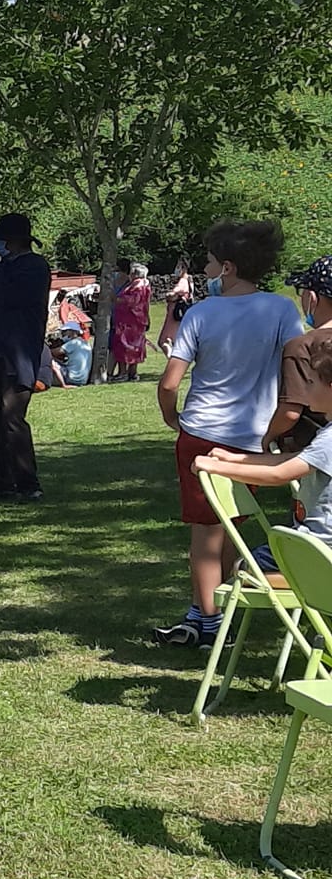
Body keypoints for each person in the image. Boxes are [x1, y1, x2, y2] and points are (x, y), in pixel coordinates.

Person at [152, 219, 302, 647]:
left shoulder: (201, 313)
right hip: (254, 439)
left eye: (210, 262)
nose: (205, 269)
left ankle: (211, 624)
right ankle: (205, 611)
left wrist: (171, 417)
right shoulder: (281, 310)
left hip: (202, 434)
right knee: (233, 526)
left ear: (229, 268)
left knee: (204, 536)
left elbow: (169, 382)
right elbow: (297, 361)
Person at [196, 332, 332, 543]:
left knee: (247, 571)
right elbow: (291, 459)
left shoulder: (330, 439)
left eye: (311, 383)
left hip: (318, 546)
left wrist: (216, 467)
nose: (305, 390)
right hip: (314, 542)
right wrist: (234, 458)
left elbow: (280, 474)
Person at [0, 213, 51, 501]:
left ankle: (28, 483)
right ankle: (4, 482)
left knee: (12, 417)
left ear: (14, 242)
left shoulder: (33, 267)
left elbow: (7, 297)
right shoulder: (6, 269)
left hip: (17, 355)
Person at [263, 255, 332, 456]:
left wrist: (269, 437)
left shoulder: (302, 346)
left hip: (315, 452)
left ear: (312, 297)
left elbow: (290, 412)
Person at [109, 263, 153, 382]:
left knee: (123, 345)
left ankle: (123, 373)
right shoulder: (143, 285)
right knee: (135, 346)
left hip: (129, 322)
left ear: (135, 274)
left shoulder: (137, 286)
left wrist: (115, 298)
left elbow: (131, 301)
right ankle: (132, 373)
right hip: (136, 321)